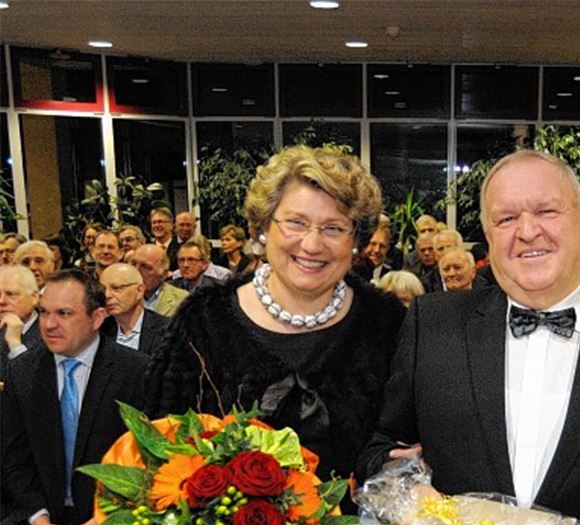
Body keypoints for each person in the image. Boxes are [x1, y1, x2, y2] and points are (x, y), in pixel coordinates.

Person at [357, 150, 580, 525]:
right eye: (506, 218)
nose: (528, 231)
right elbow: (380, 447)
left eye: (547, 211)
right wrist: (410, 497)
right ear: (487, 234)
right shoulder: (431, 325)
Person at [146, 145, 405, 492]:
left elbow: (402, 448)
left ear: (355, 240)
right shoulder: (202, 322)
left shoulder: (389, 325)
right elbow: (161, 451)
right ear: (264, 227)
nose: (312, 244)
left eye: (333, 228)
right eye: (296, 223)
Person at [0, 269, 149, 525]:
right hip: (40, 518)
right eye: (43, 312)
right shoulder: (22, 372)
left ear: (97, 318)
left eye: (64, 314)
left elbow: (149, 464)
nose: (49, 324)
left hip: (115, 519)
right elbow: (14, 463)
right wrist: (41, 524)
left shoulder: (136, 372)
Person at [99, 263, 170, 357]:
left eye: (116, 288)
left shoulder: (167, 330)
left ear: (140, 291)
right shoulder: (100, 330)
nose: (107, 295)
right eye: (103, 290)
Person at [0, 266, 43, 384]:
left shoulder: (50, 332)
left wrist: (15, 344)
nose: (2, 301)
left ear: (35, 297)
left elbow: (35, 385)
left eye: (11, 294)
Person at [130, 244, 189, 317]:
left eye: (146, 267)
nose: (136, 270)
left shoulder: (182, 300)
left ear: (164, 274)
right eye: (133, 264)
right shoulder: (119, 297)